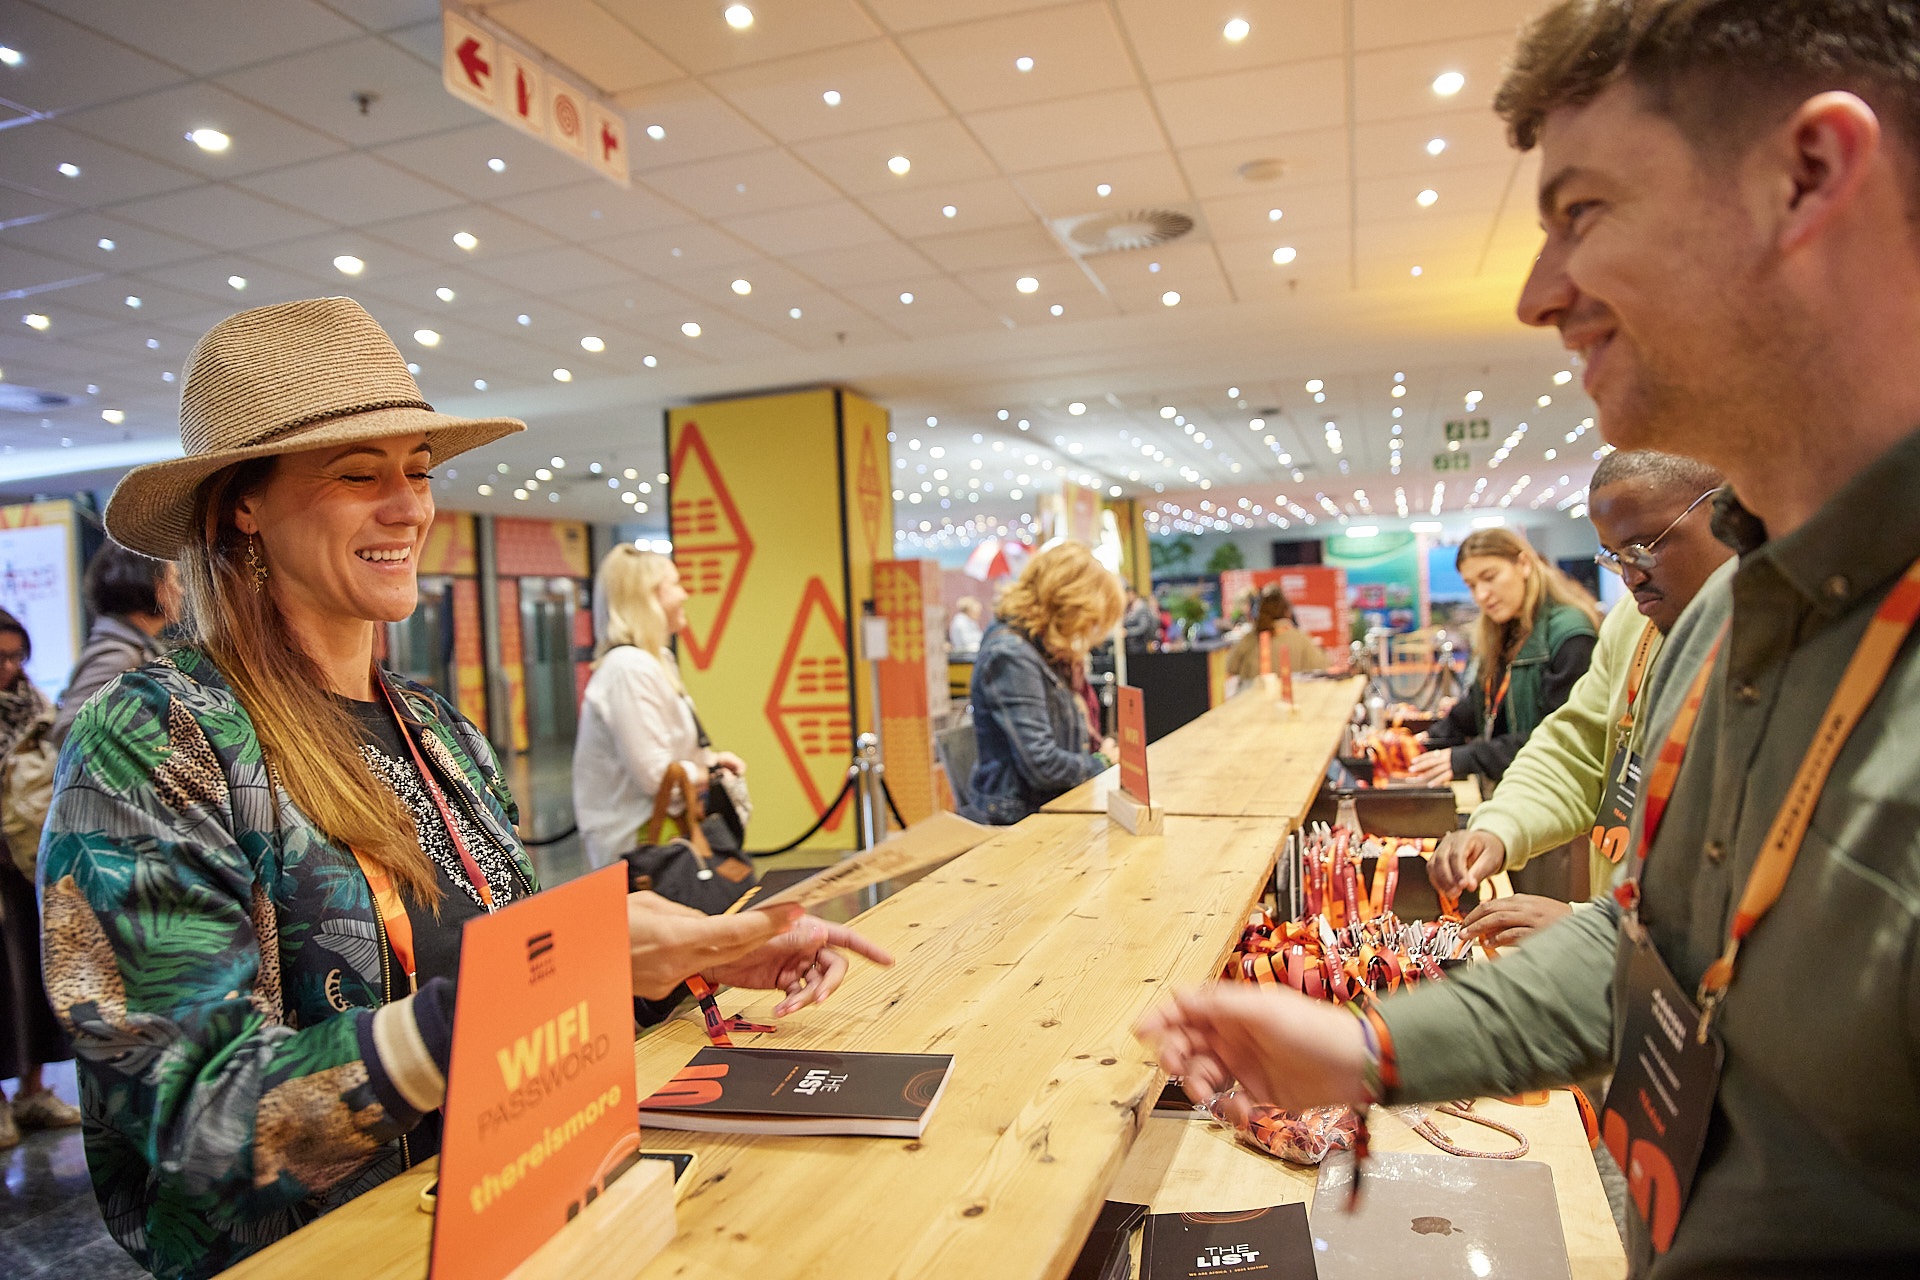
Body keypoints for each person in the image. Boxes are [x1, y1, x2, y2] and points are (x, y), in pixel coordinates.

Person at [1142, 3, 1920, 1273]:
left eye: (1585, 211)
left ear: (1811, 175)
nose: (1538, 292)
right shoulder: (1723, 620)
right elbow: (1655, 954)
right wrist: (1368, 1046)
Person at [37, 297, 889, 1280]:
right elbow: (196, 1118)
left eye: (418, 470)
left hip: (517, 1217)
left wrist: (685, 958)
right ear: (243, 504)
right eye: (358, 473)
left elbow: (513, 992)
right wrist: (523, 991)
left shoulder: (436, 728)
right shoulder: (154, 739)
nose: (409, 507)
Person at [1431, 450, 1732, 946]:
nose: (1629, 576)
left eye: (1643, 549)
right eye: (1614, 556)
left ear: (1724, 515)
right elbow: (1577, 746)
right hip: (1620, 944)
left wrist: (1590, 924)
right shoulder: (1631, 622)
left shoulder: (1774, 643)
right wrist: (1498, 829)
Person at [574, 545, 748, 868]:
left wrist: (710, 761)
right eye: (675, 584)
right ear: (648, 597)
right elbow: (655, 775)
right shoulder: (629, 668)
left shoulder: (654, 660)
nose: (685, 595)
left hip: (658, 843)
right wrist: (708, 773)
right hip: (640, 851)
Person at [1408, 527, 1600, 785]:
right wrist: (1428, 740)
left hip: (1555, 791)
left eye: (1490, 577)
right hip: (1515, 786)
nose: (1481, 595)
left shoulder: (1570, 634)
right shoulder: (1503, 630)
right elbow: (1479, 705)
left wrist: (1471, 757)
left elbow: (1562, 736)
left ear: (1523, 564)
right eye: (1471, 585)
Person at [966, 542, 1122, 824]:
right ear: (1065, 606)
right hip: (1019, 818)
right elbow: (1042, 765)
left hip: (1045, 808)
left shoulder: (1040, 648)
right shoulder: (1011, 654)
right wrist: (1101, 762)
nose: (1088, 633)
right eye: (1088, 621)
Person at [0, 609, 80, 1150]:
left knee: (36, 974)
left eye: (16, 656)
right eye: (0, 657)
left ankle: (33, 1091)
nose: (11, 668)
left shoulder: (33, 704)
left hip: (30, 860)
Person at [50, 539, 183, 748]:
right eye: (174, 579)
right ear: (154, 585)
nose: (181, 590)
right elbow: (70, 730)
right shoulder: (120, 656)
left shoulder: (134, 647)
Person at [1223, 584, 1329, 696]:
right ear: (1287, 611)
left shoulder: (1249, 638)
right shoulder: (1300, 638)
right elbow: (1322, 665)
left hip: (1251, 699)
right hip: (1290, 698)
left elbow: (1231, 667)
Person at [1122, 584, 1159, 652]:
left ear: (1133, 594)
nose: (1127, 597)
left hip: (1139, 645)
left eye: (1128, 595)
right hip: (1130, 644)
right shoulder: (1128, 607)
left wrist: (1127, 632)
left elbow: (1142, 627)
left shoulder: (1141, 608)